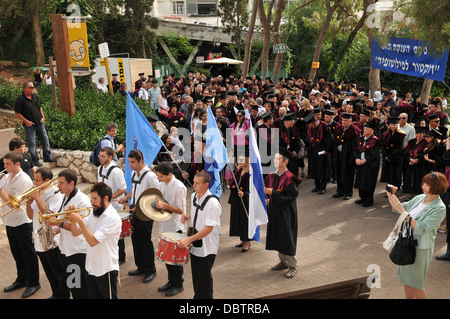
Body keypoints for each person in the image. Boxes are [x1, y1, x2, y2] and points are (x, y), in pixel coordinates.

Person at [387, 172, 448, 299]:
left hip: (420, 249)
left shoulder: (439, 207)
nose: (423, 186)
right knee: (406, 280)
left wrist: (403, 212)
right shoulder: (421, 198)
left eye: (427, 184)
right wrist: (391, 195)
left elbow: (422, 228)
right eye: (424, 183)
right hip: (406, 243)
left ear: (436, 187)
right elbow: (398, 208)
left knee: (416, 284)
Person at [66, 182, 122, 299]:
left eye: (95, 198)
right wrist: (72, 220)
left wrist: (79, 220)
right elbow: (76, 233)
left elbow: (92, 241)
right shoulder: (94, 212)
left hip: (105, 269)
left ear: (105, 198)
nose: (92, 202)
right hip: (91, 267)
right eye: (91, 198)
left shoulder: (112, 218)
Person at [26, 167, 69, 299]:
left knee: (59, 273)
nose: (34, 183)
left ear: (46, 181)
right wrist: (28, 203)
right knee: (49, 272)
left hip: (52, 241)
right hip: (39, 239)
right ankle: (55, 294)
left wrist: (37, 198)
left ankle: (62, 295)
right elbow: (30, 215)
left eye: (37, 180)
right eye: (34, 179)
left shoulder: (55, 194)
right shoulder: (37, 192)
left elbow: (49, 215)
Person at [46, 169, 91, 299]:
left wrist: (58, 224)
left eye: (61, 183)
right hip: (66, 249)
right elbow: (65, 222)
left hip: (76, 251)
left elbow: (79, 229)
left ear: (71, 184)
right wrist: (56, 228)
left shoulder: (82, 201)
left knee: (79, 287)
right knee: (73, 284)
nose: (58, 186)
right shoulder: (65, 196)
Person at [0, 151, 40, 298]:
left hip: (22, 222)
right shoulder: (7, 176)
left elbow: (13, 204)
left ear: (17, 164)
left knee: (28, 254)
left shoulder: (24, 180)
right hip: (10, 222)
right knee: (17, 254)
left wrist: (0, 190)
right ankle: (21, 279)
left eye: (7, 164)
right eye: (4, 164)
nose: (4, 166)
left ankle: (34, 283)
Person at [118, 150, 160, 283]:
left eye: (133, 162)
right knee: (136, 239)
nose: (130, 165)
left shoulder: (150, 176)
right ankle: (141, 267)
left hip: (146, 213)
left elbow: (156, 194)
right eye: (129, 162)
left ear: (140, 161)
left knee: (145, 241)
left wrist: (141, 205)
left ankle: (150, 270)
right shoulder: (133, 173)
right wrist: (127, 197)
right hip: (133, 211)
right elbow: (135, 189)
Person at [178, 171, 221, 299]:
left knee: (204, 278)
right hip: (195, 241)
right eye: (194, 182)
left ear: (206, 185)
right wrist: (187, 216)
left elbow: (208, 228)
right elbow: (195, 210)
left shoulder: (213, 203)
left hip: (207, 246)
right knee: (196, 275)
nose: (194, 185)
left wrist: (187, 240)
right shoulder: (194, 196)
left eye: (197, 183)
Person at [264, 149, 299, 278]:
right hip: (275, 211)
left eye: (278, 159)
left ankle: (293, 266)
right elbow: (268, 191)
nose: (275, 161)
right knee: (278, 237)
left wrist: (273, 193)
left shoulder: (290, 177)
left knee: (286, 238)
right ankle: (283, 262)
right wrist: (268, 200)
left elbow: (291, 196)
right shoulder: (272, 175)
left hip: (286, 213)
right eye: (274, 158)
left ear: (285, 161)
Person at [154, 162, 187, 297]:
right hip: (165, 225)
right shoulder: (162, 184)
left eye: (160, 176)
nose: (158, 179)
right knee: (167, 257)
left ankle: (178, 284)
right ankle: (171, 281)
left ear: (169, 175)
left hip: (175, 226)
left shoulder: (180, 187)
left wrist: (164, 205)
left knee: (175, 259)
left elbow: (181, 210)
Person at [97, 147, 127, 264]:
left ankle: (121, 257)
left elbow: (123, 188)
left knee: (117, 232)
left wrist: (109, 199)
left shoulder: (116, 171)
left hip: (115, 206)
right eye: (100, 156)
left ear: (110, 157)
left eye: (103, 156)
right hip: (104, 205)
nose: (100, 158)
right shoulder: (100, 168)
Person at [14, 81, 55, 166]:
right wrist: (26, 122)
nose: (33, 89)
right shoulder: (20, 99)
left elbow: (39, 107)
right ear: (26, 89)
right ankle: (35, 160)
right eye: (31, 87)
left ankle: (47, 157)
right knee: (32, 143)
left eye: (33, 87)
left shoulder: (35, 96)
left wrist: (43, 117)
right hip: (30, 125)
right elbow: (17, 113)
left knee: (45, 140)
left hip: (40, 123)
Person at [332, 112, 361, 200]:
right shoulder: (338, 128)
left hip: (348, 155)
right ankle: (340, 191)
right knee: (339, 172)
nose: (343, 122)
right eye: (342, 120)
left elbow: (357, 145)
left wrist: (354, 157)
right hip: (339, 154)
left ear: (350, 121)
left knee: (348, 174)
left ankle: (348, 192)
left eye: (346, 120)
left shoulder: (354, 130)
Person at [304, 112, 333, 194]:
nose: (310, 127)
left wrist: (326, 150)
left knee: (323, 169)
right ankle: (317, 185)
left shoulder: (324, 127)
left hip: (322, 150)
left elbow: (329, 140)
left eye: (311, 125)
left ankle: (323, 187)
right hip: (313, 150)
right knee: (315, 168)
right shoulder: (310, 127)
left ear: (315, 122)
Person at [354, 121, 382, 207]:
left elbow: (375, 155)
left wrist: (364, 160)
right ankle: (362, 197)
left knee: (368, 182)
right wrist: (357, 158)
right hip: (361, 163)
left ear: (372, 131)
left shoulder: (374, 141)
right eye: (364, 129)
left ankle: (369, 200)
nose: (364, 130)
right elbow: (356, 150)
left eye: (367, 129)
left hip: (370, 164)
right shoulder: (361, 139)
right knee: (361, 181)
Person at [228, 154, 251, 252]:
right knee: (239, 220)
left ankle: (248, 242)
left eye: (242, 160)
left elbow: (253, 190)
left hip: (246, 201)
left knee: (246, 221)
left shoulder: (250, 173)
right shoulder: (239, 171)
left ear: (247, 161)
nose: (239, 161)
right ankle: (243, 239)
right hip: (237, 200)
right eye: (239, 160)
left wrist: (244, 194)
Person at [380, 117, 406, 188]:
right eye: (391, 125)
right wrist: (385, 156)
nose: (393, 126)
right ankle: (388, 190)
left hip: (396, 159)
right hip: (387, 158)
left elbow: (399, 148)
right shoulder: (386, 134)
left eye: (394, 125)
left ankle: (394, 190)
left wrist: (390, 157)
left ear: (397, 125)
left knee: (395, 175)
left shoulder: (400, 135)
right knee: (388, 175)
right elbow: (382, 146)